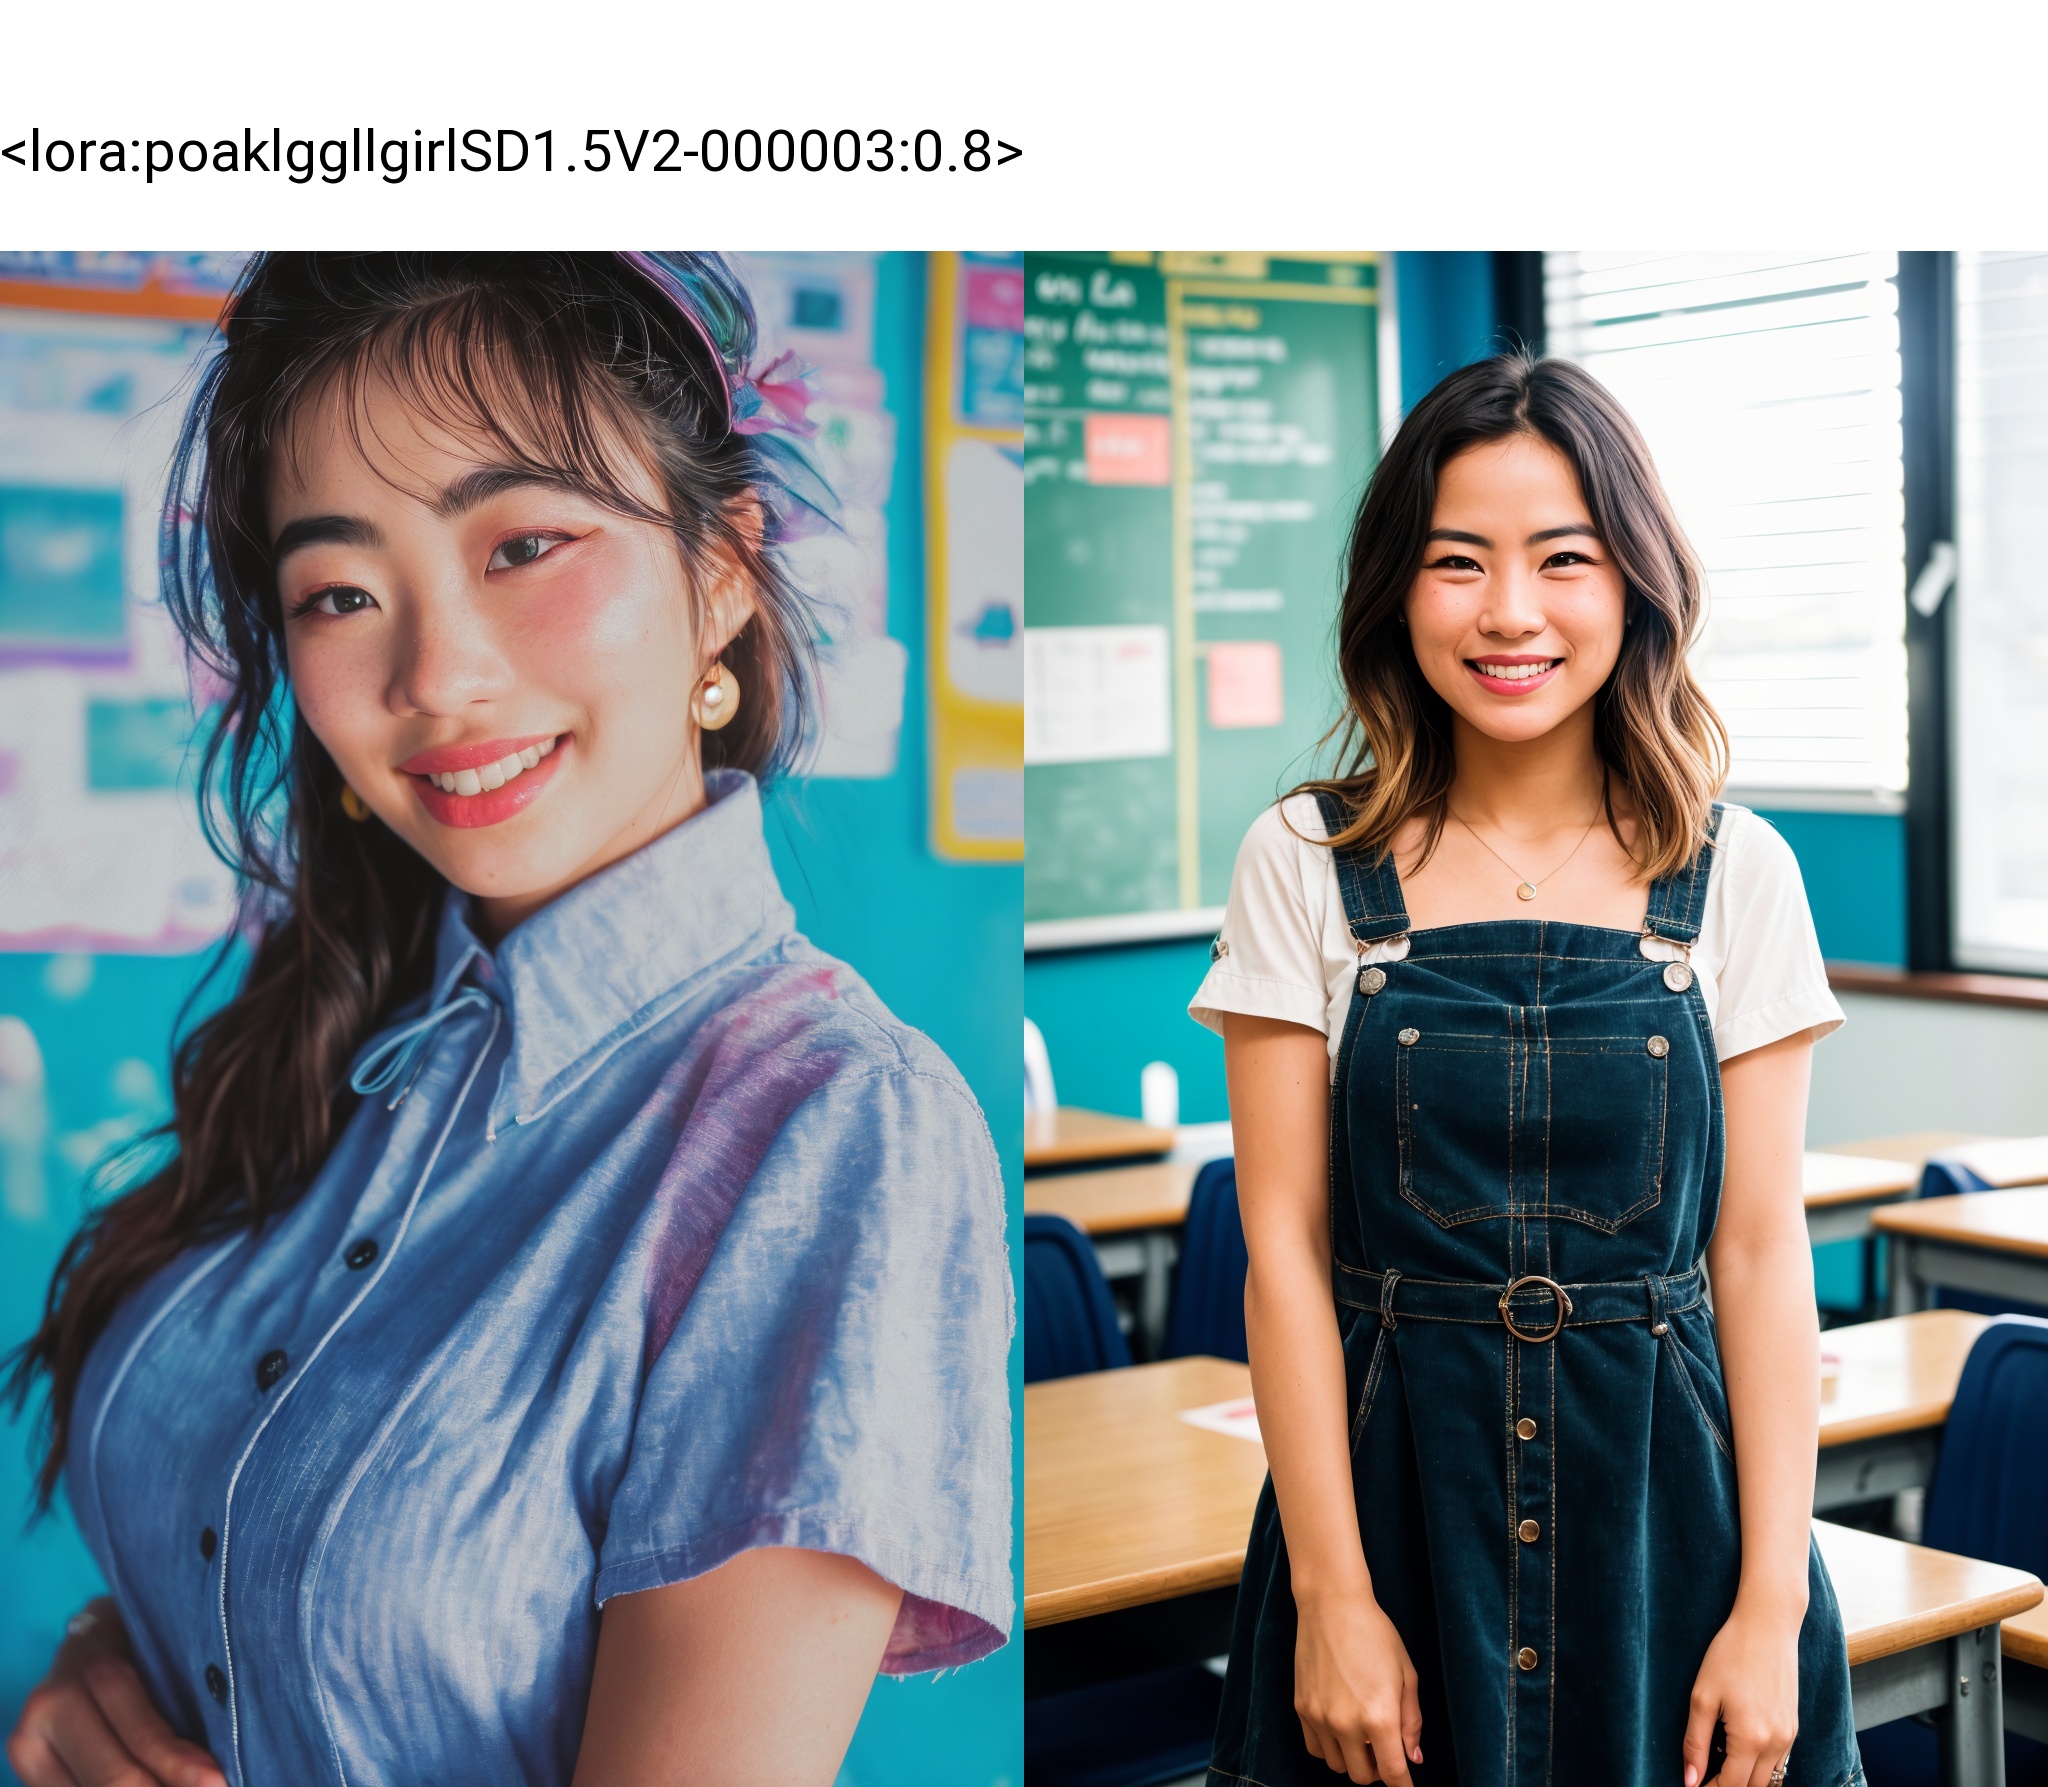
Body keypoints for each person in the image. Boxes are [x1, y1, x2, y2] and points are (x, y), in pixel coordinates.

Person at [5, 252, 1012, 1787]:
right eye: (341, 591)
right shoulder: (348, 1042)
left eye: (525, 542)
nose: (439, 675)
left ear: (724, 566)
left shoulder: (834, 1125)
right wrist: (103, 1663)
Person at [1190, 356, 1860, 1787]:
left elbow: (1755, 1254)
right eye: (1457, 563)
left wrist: (1769, 1606)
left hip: (1673, 1528)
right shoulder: (1304, 863)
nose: (1510, 612)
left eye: (1564, 558)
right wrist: (1333, 1600)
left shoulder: (1739, 873)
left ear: (1635, 585)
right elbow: (1287, 1256)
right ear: (1394, 591)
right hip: (1389, 1520)